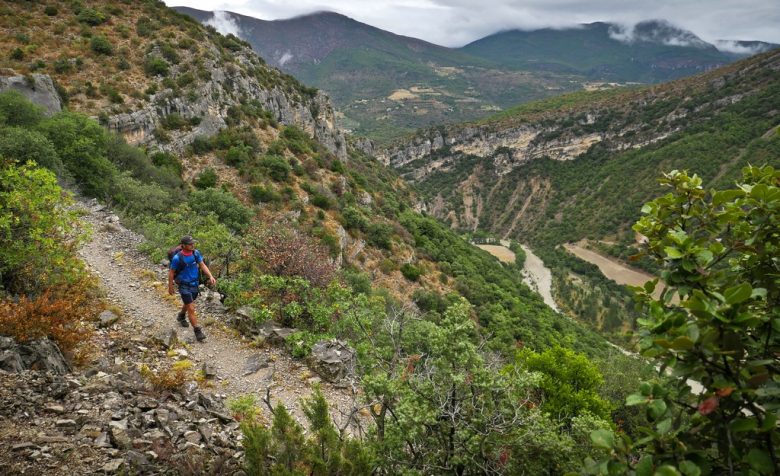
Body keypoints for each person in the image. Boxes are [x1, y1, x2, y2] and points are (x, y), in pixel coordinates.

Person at [168, 235, 216, 342]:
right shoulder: (177, 258)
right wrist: (170, 286)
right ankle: (197, 331)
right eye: (190, 244)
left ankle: (181, 316)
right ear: (183, 245)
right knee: (191, 307)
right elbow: (171, 273)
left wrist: (210, 276)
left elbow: (202, 265)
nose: (192, 245)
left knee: (188, 303)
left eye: (193, 243)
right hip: (184, 285)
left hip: (195, 284)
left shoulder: (195, 253)